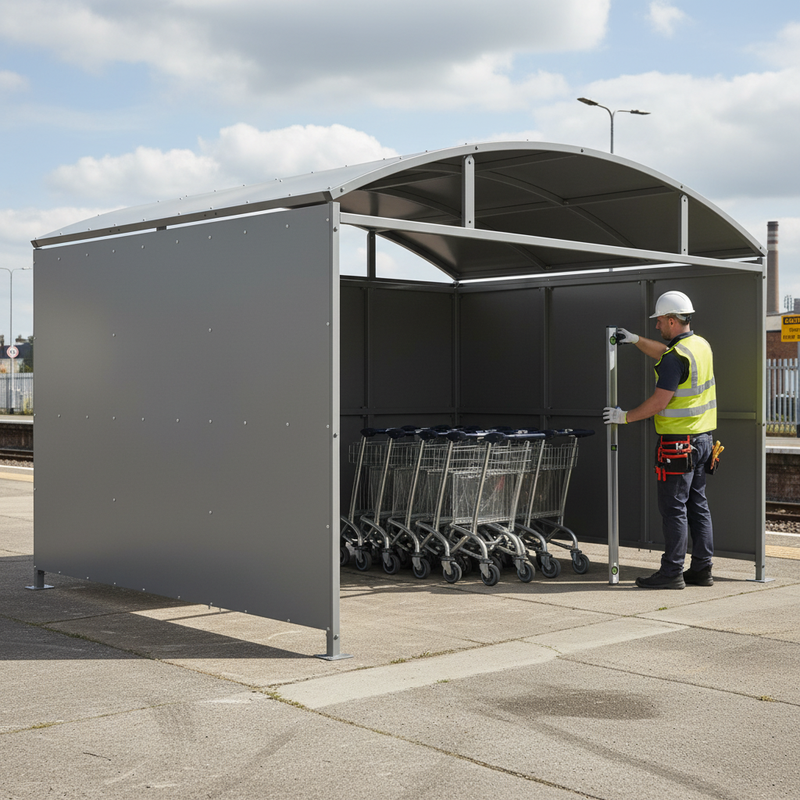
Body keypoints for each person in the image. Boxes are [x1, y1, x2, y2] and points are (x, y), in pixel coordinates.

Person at [603, 290, 716, 589]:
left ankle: (671, 573)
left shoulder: (675, 358)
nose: (657, 327)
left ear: (670, 320)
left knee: (674, 509)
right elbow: (666, 354)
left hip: (677, 445)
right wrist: (636, 340)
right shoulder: (699, 345)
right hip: (703, 439)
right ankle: (703, 569)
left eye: (659, 322)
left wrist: (623, 416)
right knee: (697, 506)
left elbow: (659, 402)